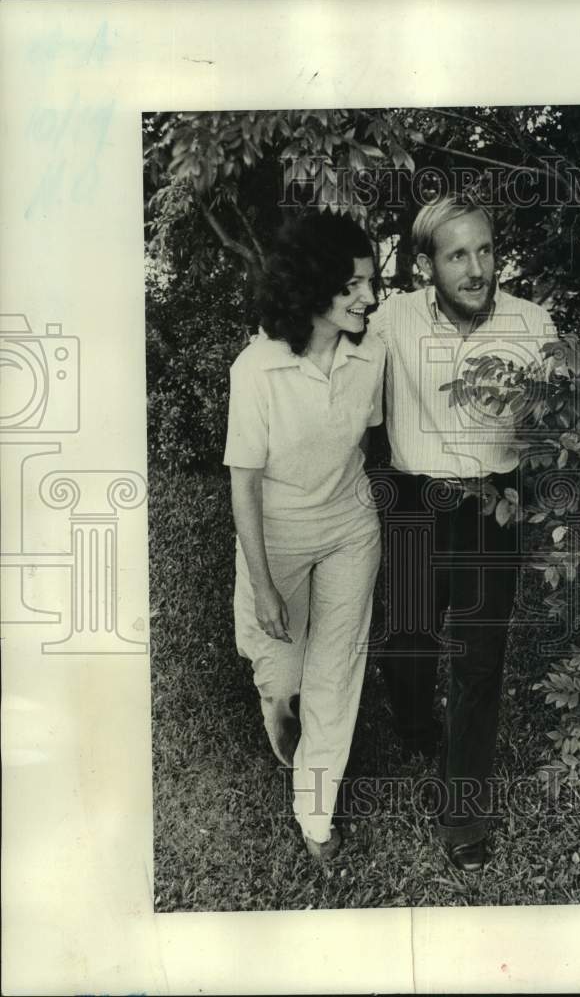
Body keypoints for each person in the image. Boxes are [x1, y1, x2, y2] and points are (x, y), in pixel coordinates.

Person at [367, 193, 554, 872]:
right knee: (409, 637)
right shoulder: (391, 319)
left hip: (491, 506)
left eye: (485, 250)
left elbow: (555, 426)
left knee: (479, 661)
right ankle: (415, 723)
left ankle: (464, 814)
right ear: (426, 266)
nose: (477, 269)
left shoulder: (532, 324)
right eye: (457, 256)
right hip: (413, 504)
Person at [223, 210, 384, 862]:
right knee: (281, 671)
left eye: (370, 283)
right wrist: (263, 587)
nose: (367, 297)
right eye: (351, 286)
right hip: (278, 533)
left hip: (350, 526)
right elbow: (243, 484)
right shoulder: (257, 369)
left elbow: (362, 441)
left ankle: (315, 815)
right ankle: (280, 707)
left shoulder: (370, 353)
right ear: (311, 286)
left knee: (333, 673)